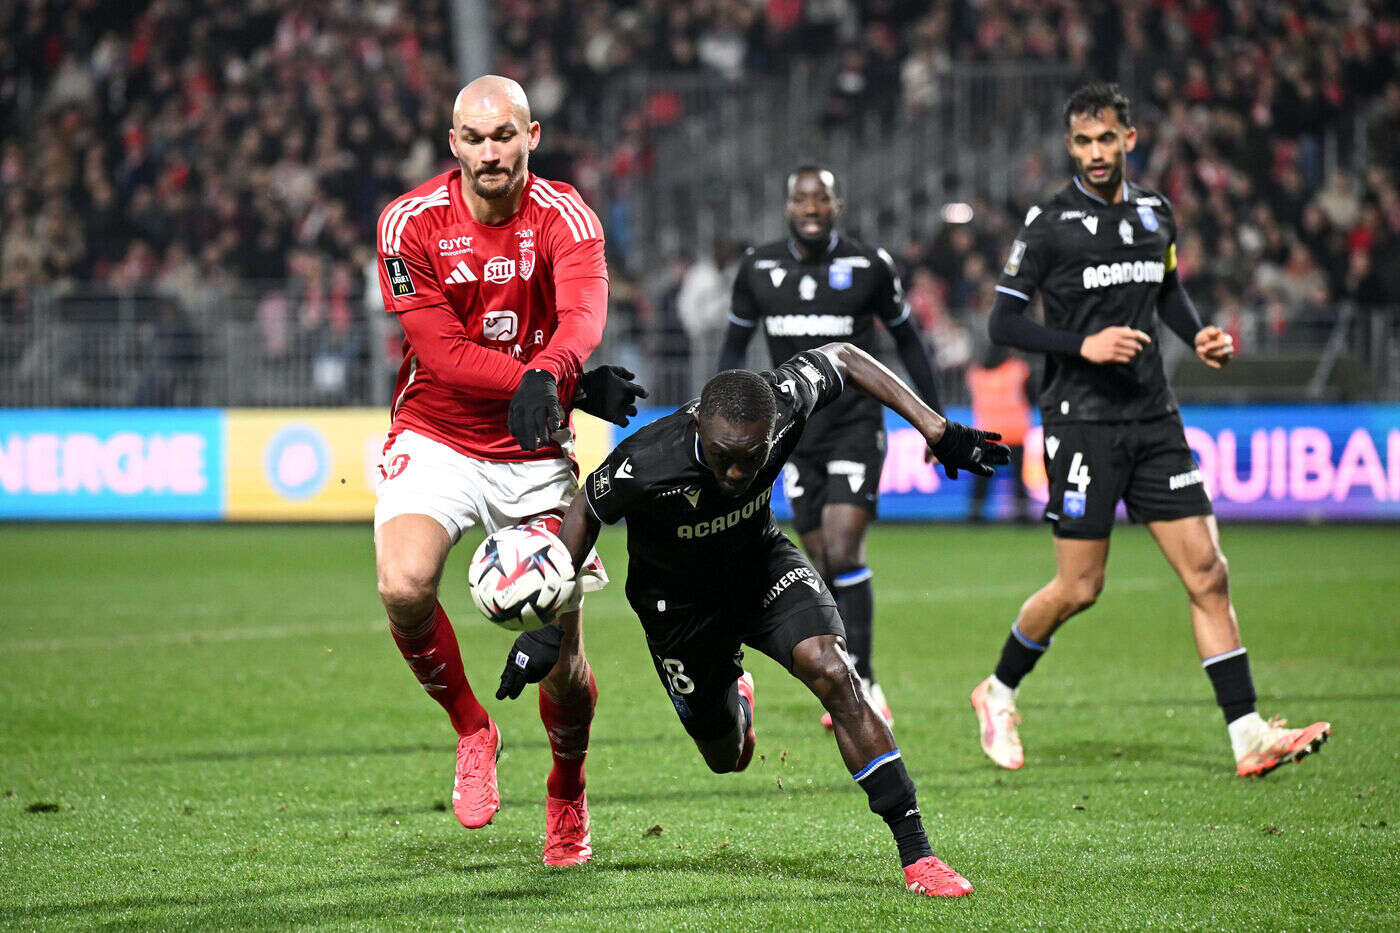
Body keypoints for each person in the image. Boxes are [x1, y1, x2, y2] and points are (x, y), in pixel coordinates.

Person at [496, 342, 1010, 897]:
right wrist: (548, 625)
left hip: (761, 569)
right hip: (677, 610)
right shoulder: (646, 460)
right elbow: (585, 513)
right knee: (725, 756)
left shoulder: (786, 399)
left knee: (835, 673)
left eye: (753, 455)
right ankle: (736, 693)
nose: (739, 471)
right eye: (724, 456)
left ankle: (919, 857)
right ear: (699, 426)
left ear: (773, 427)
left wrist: (937, 429)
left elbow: (845, 358)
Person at [968, 82, 1330, 778]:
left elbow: (1166, 290)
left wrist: (1198, 336)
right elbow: (1003, 322)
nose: (1096, 153)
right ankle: (999, 689)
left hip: (1154, 417)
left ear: (1130, 139)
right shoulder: (1050, 223)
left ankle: (1247, 732)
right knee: (1080, 586)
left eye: (1108, 139)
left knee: (1208, 572)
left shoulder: (1156, 212)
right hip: (1081, 421)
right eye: (1083, 141)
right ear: (1070, 145)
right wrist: (1084, 346)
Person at [372, 75, 645, 866]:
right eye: (474, 137)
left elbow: (583, 314)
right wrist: (542, 378)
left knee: (564, 668)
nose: (490, 152)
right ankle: (472, 729)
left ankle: (567, 791)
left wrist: (553, 371)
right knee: (402, 583)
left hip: (532, 450)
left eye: (504, 136)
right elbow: (439, 353)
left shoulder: (566, 215)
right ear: (452, 142)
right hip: (438, 433)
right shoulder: (408, 222)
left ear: (533, 135)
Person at [716, 166, 944, 730]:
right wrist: (718, 420)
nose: (812, 207)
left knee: (844, 551)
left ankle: (866, 680)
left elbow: (909, 341)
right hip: (792, 433)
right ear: (788, 206)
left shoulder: (870, 266)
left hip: (855, 424)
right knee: (819, 558)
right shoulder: (758, 268)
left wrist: (932, 422)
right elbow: (733, 347)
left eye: (821, 198)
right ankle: (843, 674)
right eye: (802, 199)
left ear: (837, 204)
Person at [965, 341, 1032, 523]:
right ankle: (1022, 512)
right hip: (1015, 431)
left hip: (987, 433)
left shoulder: (975, 374)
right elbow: (1032, 393)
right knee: (1018, 476)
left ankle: (975, 512)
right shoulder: (1018, 370)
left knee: (982, 475)